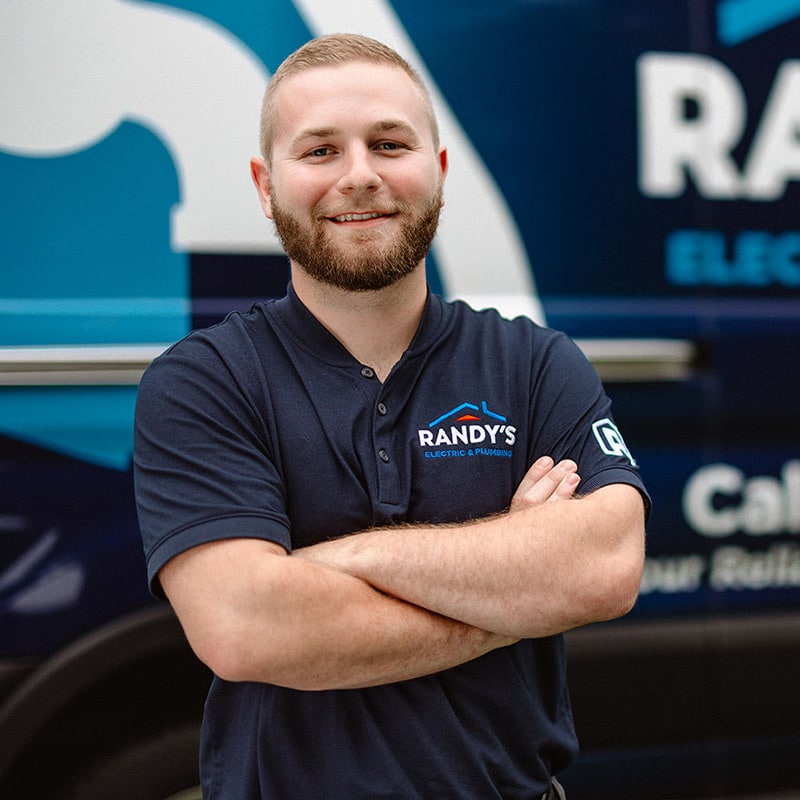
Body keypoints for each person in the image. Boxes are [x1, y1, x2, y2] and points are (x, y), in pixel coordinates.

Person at [134, 33, 648, 799]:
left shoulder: (536, 364)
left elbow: (603, 568)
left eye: (388, 143)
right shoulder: (204, 382)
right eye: (319, 152)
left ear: (438, 172)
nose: (361, 175)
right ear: (264, 185)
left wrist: (332, 564)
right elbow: (244, 627)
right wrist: (518, 590)